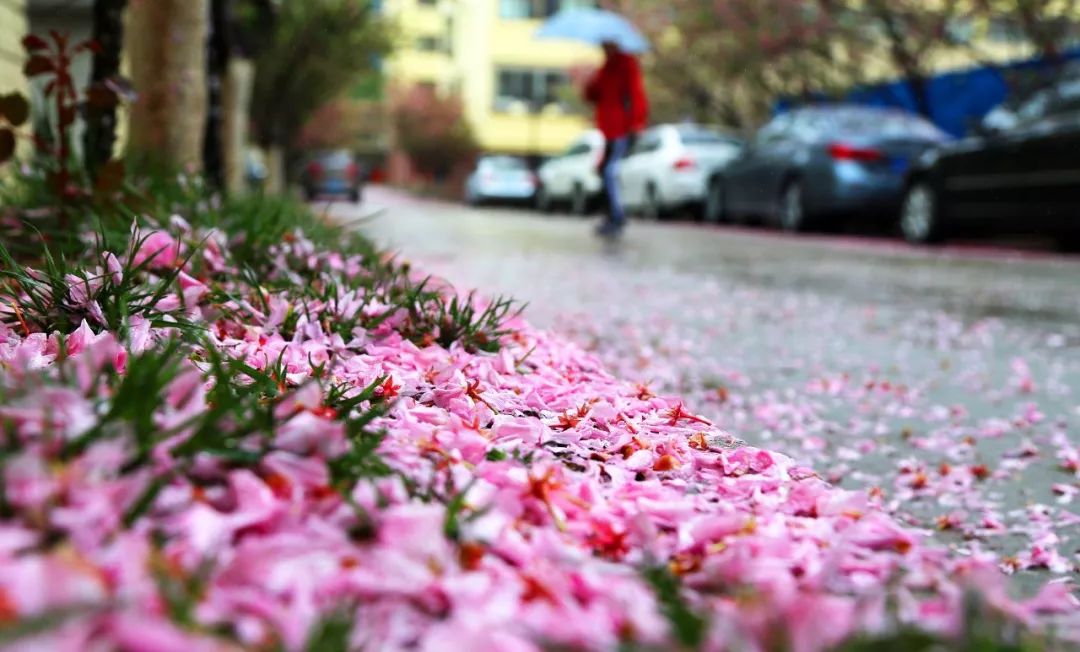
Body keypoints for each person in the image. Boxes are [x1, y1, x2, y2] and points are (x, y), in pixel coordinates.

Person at [583, 40, 649, 238]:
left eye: (607, 45)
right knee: (603, 171)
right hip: (607, 128)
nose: (603, 48)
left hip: (622, 128)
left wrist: (637, 122)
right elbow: (594, 96)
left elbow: (636, 95)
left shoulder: (627, 65)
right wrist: (588, 81)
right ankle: (610, 215)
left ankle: (617, 215)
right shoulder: (605, 68)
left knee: (610, 171)